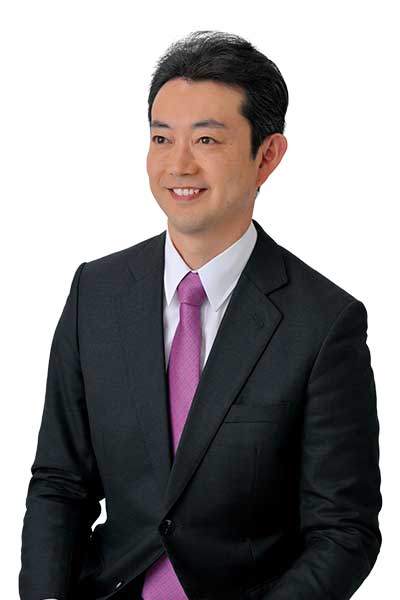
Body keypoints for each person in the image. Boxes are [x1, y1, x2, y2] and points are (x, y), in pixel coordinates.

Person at [19, 30, 382, 600]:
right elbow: (60, 484)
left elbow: (344, 531)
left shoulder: (323, 322)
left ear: (267, 156)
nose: (178, 164)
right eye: (162, 138)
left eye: (207, 139)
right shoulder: (97, 292)